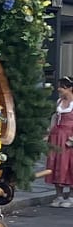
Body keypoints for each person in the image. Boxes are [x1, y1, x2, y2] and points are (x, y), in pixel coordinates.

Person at [49, 77, 73, 206]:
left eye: (62, 87)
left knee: (69, 165)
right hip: (57, 136)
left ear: (69, 88)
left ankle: (71, 197)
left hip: (69, 137)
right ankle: (58, 195)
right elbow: (54, 117)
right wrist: (49, 132)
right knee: (56, 164)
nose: (59, 89)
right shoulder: (59, 101)